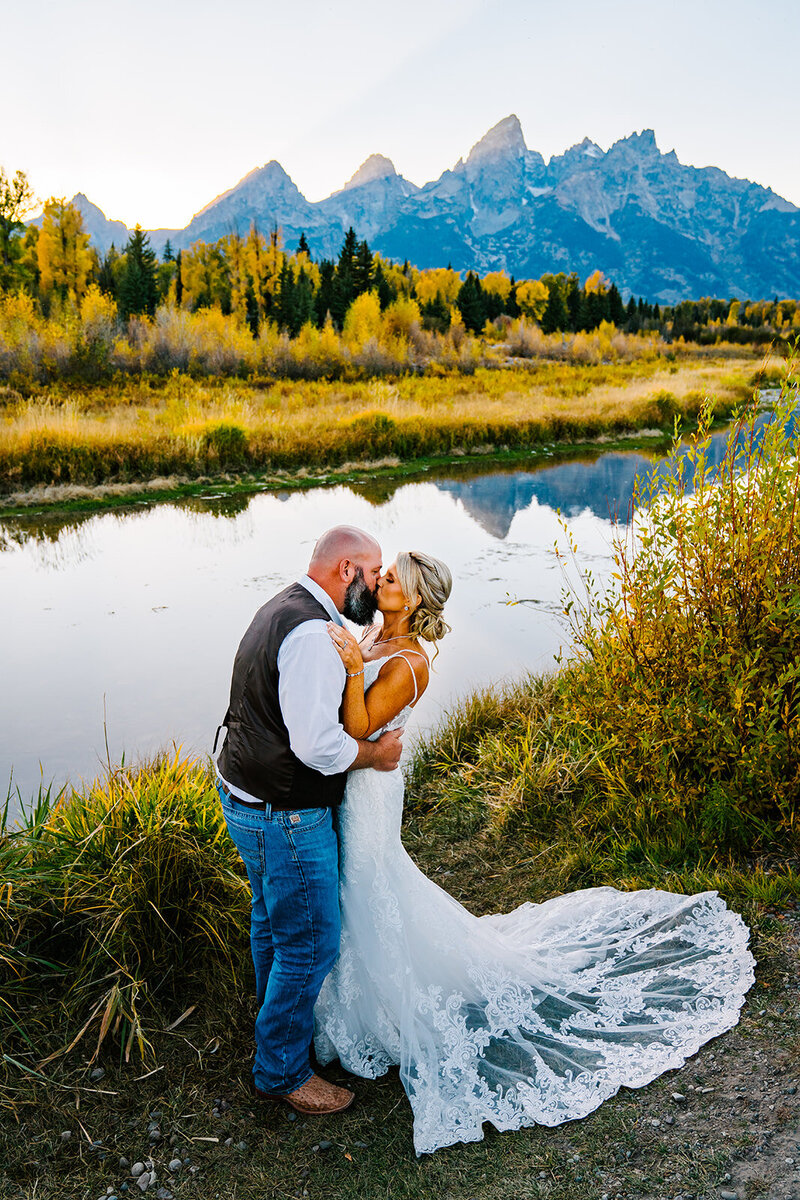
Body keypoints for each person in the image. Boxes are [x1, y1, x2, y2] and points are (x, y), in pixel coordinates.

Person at [314, 550, 756, 1156]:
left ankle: (387, 1006)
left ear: (412, 600)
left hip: (369, 787)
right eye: (383, 572)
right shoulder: (370, 634)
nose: (379, 579)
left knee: (367, 881)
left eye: (391, 578)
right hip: (352, 785)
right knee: (360, 884)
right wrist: (347, 651)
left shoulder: (411, 663)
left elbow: (361, 727)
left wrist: (344, 670)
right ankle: (357, 998)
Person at [214, 525, 404, 1117]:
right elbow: (319, 747)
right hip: (286, 814)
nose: (376, 586)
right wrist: (375, 754)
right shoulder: (311, 636)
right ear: (347, 570)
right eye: (373, 575)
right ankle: (282, 1072)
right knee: (312, 941)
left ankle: (278, 1031)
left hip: (246, 796)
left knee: (272, 922)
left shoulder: (282, 606)